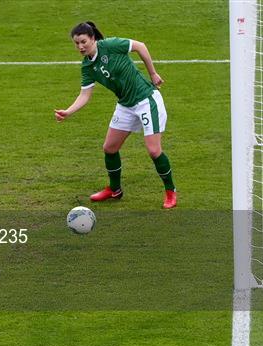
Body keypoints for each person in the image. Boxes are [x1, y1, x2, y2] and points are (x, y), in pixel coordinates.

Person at [54, 22, 177, 209]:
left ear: (93, 38)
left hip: (146, 100)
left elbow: (140, 46)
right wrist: (68, 111)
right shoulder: (87, 66)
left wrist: (152, 74)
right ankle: (115, 189)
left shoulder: (110, 45)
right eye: (76, 43)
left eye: (83, 42)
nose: (80, 47)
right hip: (125, 105)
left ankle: (170, 192)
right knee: (110, 148)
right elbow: (85, 95)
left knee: (153, 150)